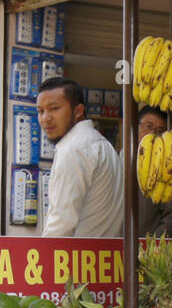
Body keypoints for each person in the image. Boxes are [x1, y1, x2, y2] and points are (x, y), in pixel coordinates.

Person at [37, 77, 124, 238]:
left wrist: (43, 259)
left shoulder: (73, 149)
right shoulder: (104, 145)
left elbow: (61, 225)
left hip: (77, 260)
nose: (45, 118)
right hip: (107, 257)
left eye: (54, 108)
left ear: (78, 111)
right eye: (41, 111)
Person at [135, 106, 172, 238]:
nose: (152, 134)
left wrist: (154, 246)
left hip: (149, 251)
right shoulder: (119, 160)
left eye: (160, 130)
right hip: (112, 249)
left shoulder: (169, 170)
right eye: (148, 126)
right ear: (135, 127)